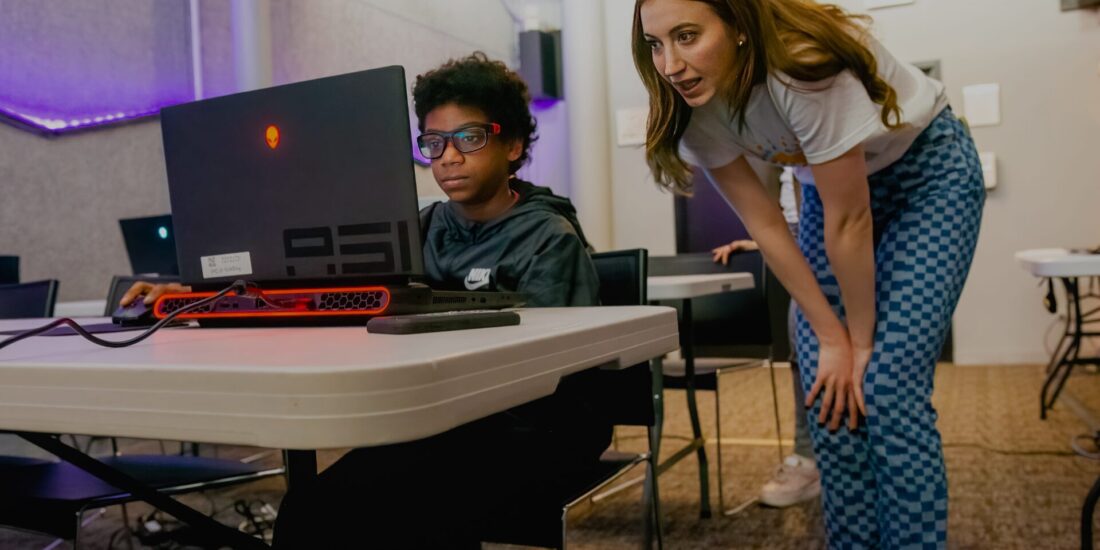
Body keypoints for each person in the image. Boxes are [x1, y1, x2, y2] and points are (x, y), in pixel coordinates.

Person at [122, 53, 608, 548]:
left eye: (469, 138)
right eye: (434, 142)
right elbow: (322, 289)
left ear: (513, 145)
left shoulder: (548, 238)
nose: (448, 157)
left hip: (527, 433)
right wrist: (196, 295)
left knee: (335, 514)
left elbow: (552, 378)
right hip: (437, 418)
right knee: (312, 510)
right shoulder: (419, 230)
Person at [635, 0, 985, 547]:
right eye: (655, 44)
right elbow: (766, 223)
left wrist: (858, 342)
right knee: (827, 385)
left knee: (887, 387)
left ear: (737, 24)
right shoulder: (689, 111)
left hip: (927, 177)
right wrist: (830, 337)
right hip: (827, 193)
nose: (671, 65)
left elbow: (851, 221)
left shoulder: (802, 66)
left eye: (686, 36)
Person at [713, 167, 819, 508]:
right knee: (802, 352)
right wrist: (762, 241)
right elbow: (789, 216)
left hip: (840, 228)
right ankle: (809, 459)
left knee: (845, 352)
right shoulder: (781, 160)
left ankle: (833, 459)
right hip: (801, 234)